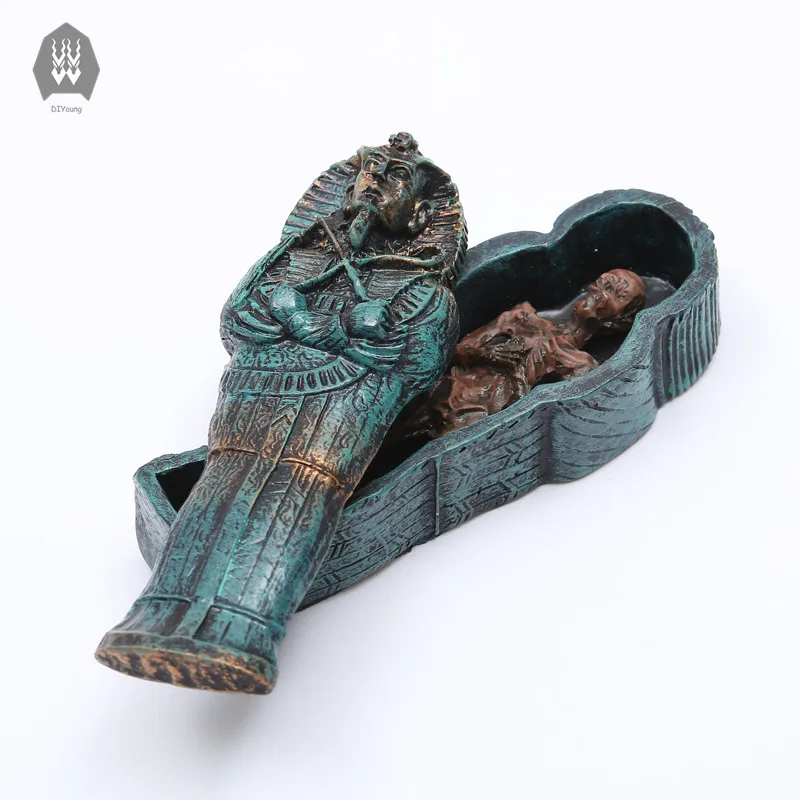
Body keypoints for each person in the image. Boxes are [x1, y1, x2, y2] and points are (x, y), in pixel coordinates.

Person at [401, 269, 647, 438]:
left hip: (479, 421)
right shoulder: (523, 316)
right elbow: (461, 349)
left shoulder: (580, 366)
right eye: (604, 282)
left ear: (619, 321)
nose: (602, 292)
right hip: (448, 391)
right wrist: (489, 354)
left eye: (617, 293)